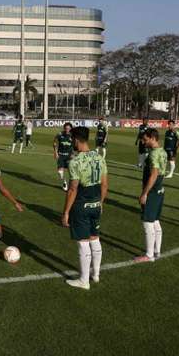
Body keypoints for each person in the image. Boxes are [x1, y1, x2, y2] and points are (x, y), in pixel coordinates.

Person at [62, 126, 107, 290]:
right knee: (95, 238)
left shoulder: (75, 162)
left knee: (83, 242)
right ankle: (95, 275)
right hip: (96, 203)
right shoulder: (99, 158)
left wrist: (66, 212)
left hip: (82, 204)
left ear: (76, 140)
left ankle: (84, 280)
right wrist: (100, 202)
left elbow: (73, 189)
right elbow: (105, 185)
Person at [135, 128, 167, 262]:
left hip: (153, 190)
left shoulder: (154, 154)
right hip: (160, 188)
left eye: (145, 139)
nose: (143, 141)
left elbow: (154, 174)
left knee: (148, 222)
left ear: (153, 138)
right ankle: (157, 251)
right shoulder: (163, 151)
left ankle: (149, 255)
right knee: (155, 221)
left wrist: (144, 193)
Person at [53, 122, 73, 191]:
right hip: (60, 155)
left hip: (69, 156)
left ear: (70, 128)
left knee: (71, 172)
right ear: (64, 128)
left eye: (68, 128)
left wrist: (73, 153)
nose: (67, 129)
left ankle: (73, 185)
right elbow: (55, 142)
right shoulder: (60, 134)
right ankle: (64, 182)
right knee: (60, 172)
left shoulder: (72, 136)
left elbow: (75, 145)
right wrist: (55, 152)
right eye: (66, 128)